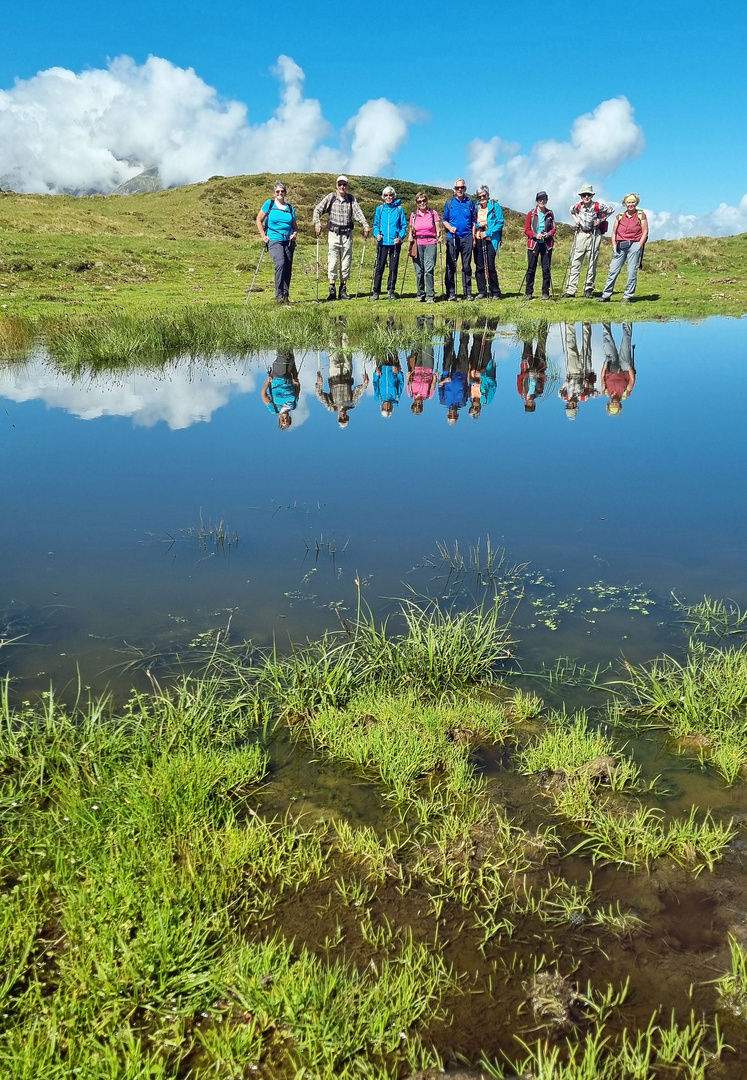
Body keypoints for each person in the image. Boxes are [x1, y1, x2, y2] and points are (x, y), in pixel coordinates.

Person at [313, 176, 370, 301]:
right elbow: (317, 210)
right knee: (332, 261)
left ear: (347, 186)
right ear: (336, 186)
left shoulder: (351, 199)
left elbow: (358, 213)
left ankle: (343, 289)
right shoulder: (331, 197)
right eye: (340, 184)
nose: (342, 187)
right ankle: (332, 289)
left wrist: (365, 225)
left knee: (346, 262)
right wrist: (317, 223)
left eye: (344, 184)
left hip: (347, 235)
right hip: (333, 234)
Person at [564, 184, 614, 298]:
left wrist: (600, 220)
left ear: (592, 195)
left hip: (594, 235)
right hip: (581, 234)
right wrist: (575, 219)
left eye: (589, 195)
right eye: (584, 195)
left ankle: (588, 289)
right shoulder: (578, 206)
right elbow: (571, 210)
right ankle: (571, 290)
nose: (586, 197)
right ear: (581, 196)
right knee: (576, 261)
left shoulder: (597, 205)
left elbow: (611, 210)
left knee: (592, 262)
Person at [599, 193, 649, 303]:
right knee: (613, 271)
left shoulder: (641, 215)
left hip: (634, 245)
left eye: (633, 202)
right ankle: (606, 295)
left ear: (636, 202)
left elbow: (645, 232)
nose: (631, 204)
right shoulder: (620, 216)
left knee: (631, 272)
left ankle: (627, 296)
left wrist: (639, 245)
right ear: (625, 204)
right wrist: (613, 245)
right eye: (629, 202)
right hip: (620, 246)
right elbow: (613, 233)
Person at [255, 182, 298, 303]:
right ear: (274, 193)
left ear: (285, 193)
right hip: (274, 239)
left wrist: (294, 234)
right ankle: (279, 295)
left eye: (282, 191)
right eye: (277, 191)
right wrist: (263, 236)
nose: (280, 193)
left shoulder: (290, 208)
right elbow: (259, 220)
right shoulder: (269, 204)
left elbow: (295, 227)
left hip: (288, 241)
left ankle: (285, 295)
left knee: (287, 267)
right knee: (280, 263)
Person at [315, 334, 369, 425]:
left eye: (341, 418)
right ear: (347, 416)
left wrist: (319, 384)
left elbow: (320, 395)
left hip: (334, 375)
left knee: (333, 352)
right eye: (345, 418)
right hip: (347, 374)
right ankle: (344, 326)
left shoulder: (332, 407)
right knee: (346, 352)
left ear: (338, 417)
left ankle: (332, 327)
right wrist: (365, 384)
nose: (342, 416)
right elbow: (358, 392)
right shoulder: (351, 403)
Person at [443, 179, 476, 301]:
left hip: (467, 237)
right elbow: (444, 220)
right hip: (452, 238)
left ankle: (467, 293)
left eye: (462, 187)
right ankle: (451, 293)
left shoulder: (470, 203)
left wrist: (473, 237)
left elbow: (473, 221)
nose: (460, 190)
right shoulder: (449, 203)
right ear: (454, 189)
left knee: (466, 266)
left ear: (465, 189)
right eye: (457, 188)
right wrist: (450, 228)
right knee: (451, 265)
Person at [372, 186, 407, 300]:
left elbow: (403, 226)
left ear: (393, 196)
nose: (388, 197)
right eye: (386, 195)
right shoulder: (379, 209)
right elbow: (376, 225)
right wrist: (377, 234)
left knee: (393, 268)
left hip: (395, 243)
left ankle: (391, 291)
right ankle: (376, 292)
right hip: (382, 243)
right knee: (379, 268)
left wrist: (400, 238)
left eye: (390, 195)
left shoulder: (399, 209)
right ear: (383, 196)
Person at [559, 323, 598, 419]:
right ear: (576, 407)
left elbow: (559, 393)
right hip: (583, 371)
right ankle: (586, 323)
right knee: (586, 345)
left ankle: (569, 322)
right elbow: (595, 394)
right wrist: (588, 385)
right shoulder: (583, 398)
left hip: (572, 371)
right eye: (572, 407)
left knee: (570, 346)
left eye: (569, 407)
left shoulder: (565, 397)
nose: (571, 405)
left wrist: (564, 385)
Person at [408, 193, 442, 303]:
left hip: (431, 243)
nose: (422, 203)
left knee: (428, 269)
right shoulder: (413, 215)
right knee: (419, 270)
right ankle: (420, 294)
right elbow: (411, 230)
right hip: (417, 243)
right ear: (416, 203)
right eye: (419, 201)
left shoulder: (433, 213)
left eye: (423, 200)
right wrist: (410, 237)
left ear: (427, 201)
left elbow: (438, 228)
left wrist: (439, 236)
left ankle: (430, 296)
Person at [472, 186, 504, 300]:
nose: (482, 198)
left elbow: (500, 223)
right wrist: (477, 225)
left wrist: (488, 232)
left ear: (488, 195)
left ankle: (495, 291)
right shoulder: (475, 208)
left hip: (491, 240)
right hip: (478, 239)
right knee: (479, 266)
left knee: (490, 266)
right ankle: (482, 291)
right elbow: (471, 222)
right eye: (479, 196)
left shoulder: (495, 206)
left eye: (484, 195)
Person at [523, 191, 556, 300]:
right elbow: (526, 230)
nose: (542, 201)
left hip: (546, 244)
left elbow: (554, 228)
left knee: (546, 269)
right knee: (531, 268)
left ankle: (545, 293)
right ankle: (529, 292)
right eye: (540, 199)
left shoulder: (550, 213)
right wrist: (535, 235)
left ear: (547, 200)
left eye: (544, 199)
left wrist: (548, 234)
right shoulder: (531, 214)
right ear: (537, 201)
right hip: (534, 244)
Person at [601, 323, 636, 413]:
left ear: (609, 404)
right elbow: (632, 380)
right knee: (626, 341)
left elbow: (602, 377)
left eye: (612, 406)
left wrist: (605, 365)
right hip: (625, 368)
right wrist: (629, 368)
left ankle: (605, 320)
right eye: (616, 406)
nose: (615, 404)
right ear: (620, 406)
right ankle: (627, 319)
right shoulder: (625, 394)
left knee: (607, 341)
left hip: (611, 366)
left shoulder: (606, 391)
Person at [261, 349, 300, 429]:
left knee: (283, 356)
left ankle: (280, 338)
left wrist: (267, 381)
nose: (285, 419)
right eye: (287, 421)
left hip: (278, 377)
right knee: (290, 355)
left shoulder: (274, 409)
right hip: (291, 376)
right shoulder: (293, 406)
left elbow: (263, 394)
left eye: (282, 421)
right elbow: (297, 391)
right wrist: (297, 383)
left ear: (279, 419)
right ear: (290, 419)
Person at [438, 325, 470, 422]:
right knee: (463, 346)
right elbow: (467, 386)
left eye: (450, 416)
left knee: (448, 347)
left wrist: (445, 380)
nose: (452, 414)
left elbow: (439, 385)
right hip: (462, 372)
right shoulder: (463, 403)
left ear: (447, 414)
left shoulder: (443, 401)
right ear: (457, 415)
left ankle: (449, 324)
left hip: (448, 372)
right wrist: (468, 372)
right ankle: (465, 323)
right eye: (454, 416)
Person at [406, 316, 438, 413]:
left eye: (415, 405)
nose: (418, 404)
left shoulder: (410, 393)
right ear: (422, 405)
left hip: (416, 368)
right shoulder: (429, 395)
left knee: (417, 343)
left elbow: (409, 381)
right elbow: (433, 384)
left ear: (413, 403)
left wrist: (407, 376)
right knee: (427, 344)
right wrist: (435, 377)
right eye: (419, 406)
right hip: (428, 368)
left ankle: (420, 319)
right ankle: (429, 320)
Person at [517, 323, 548, 412]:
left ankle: (526, 321)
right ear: (534, 404)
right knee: (542, 342)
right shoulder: (539, 392)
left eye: (528, 405)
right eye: (532, 405)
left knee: (527, 342)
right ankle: (544, 321)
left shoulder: (522, 392)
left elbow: (519, 378)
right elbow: (544, 377)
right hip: (540, 365)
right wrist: (539, 374)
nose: (530, 403)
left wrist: (527, 374)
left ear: (525, 403)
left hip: (526, 364)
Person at [373, 352, 404, 417]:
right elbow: (401, 382)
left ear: (381, 407)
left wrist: (376, 374)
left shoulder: (378, 397)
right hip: (393, 368)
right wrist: (398, 372)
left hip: (381, 368)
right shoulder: (396, 397)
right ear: (391, 408)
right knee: (393, 348)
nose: (387, 407)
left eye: (384, 408)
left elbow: (375, 383)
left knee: (379, 350)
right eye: (388, 409)